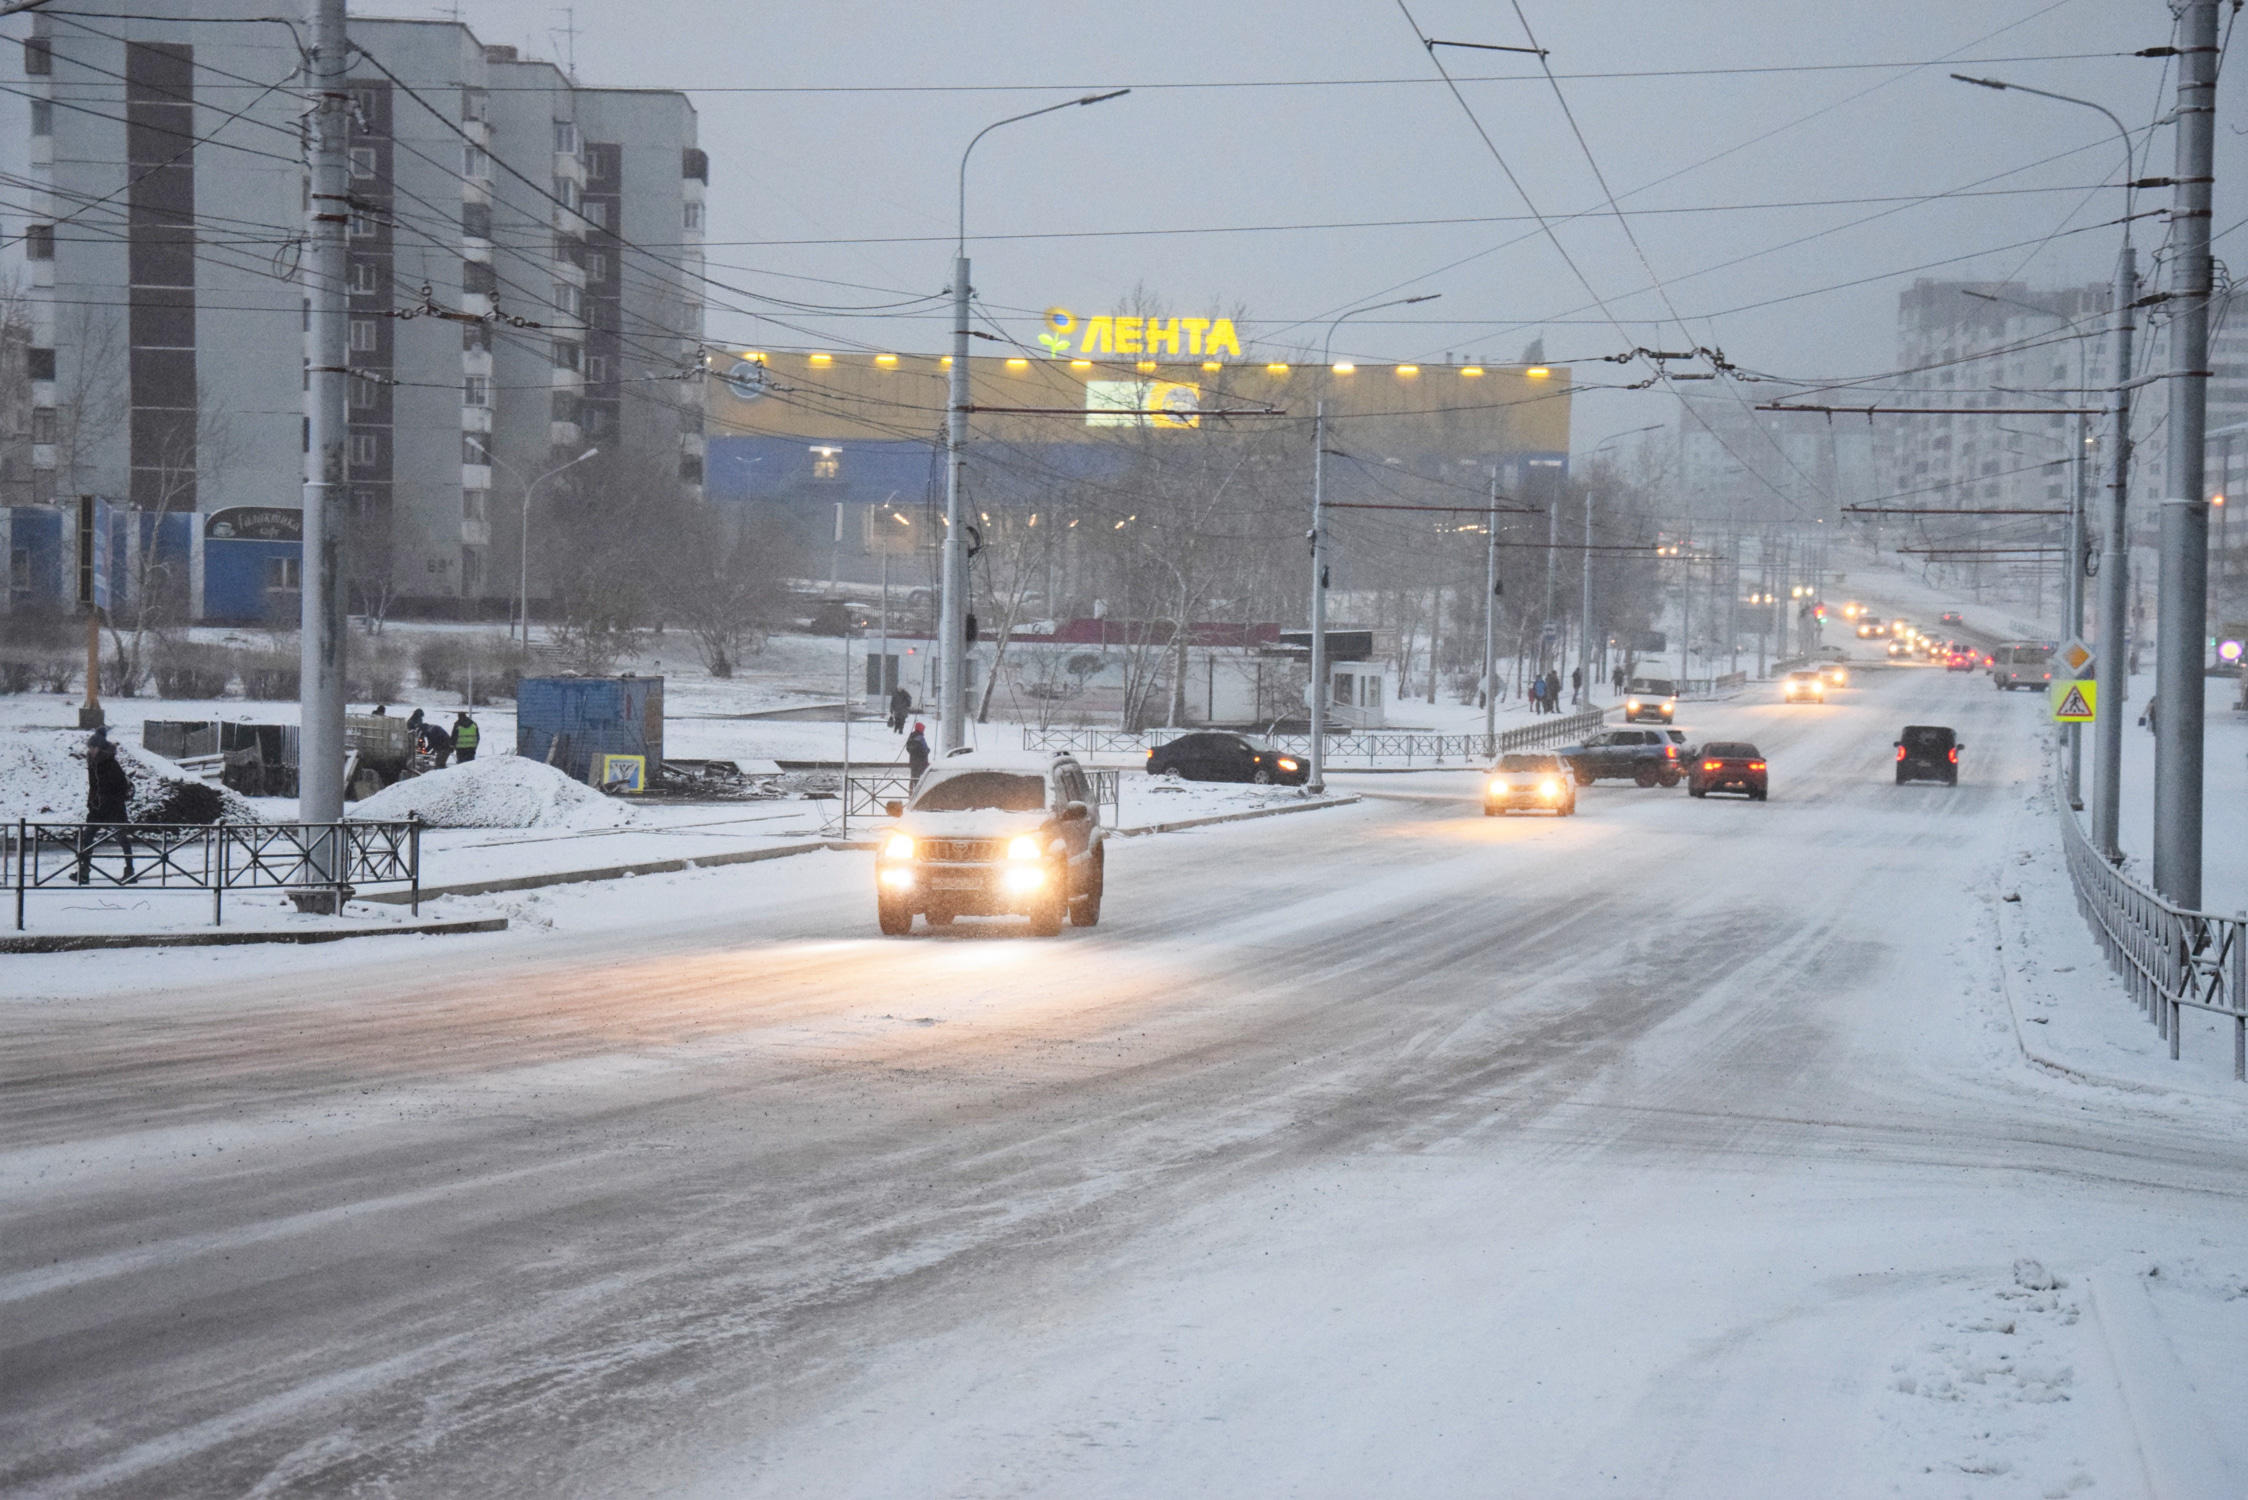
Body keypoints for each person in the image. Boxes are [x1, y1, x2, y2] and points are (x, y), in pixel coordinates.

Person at [74, 727, 135, 885]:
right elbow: (94, 787)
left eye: (94, 747)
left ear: (101, 748)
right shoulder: (93, 764)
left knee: (122, 839)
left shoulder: (110, 764)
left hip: (113, 807)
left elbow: (120, 786)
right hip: (97, 807)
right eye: (90, 747)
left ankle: (130, 871)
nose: (92, 750)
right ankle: (84, 872)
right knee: (87, 838)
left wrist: (109, 800)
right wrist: (92, 802)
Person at [905, 721, 931, 787]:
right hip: (921, 762)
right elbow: (926, 750)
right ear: (921, 729)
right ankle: (919, 793)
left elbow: (908, 748)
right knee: (921, 779)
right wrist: (928, 751)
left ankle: (912, 792)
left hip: (913, 761)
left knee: (914, 778)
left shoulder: (911, 737)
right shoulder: (920, 738)